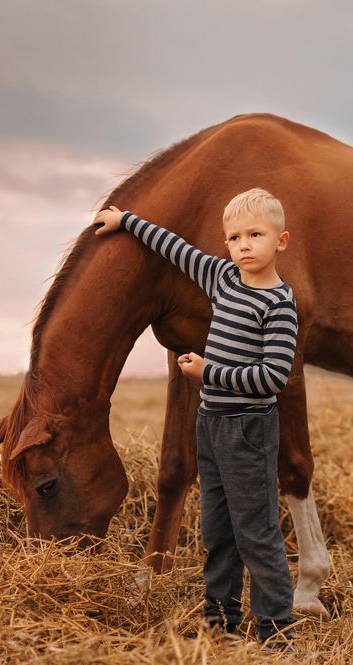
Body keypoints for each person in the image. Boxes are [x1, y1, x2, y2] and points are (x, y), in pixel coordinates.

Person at [93, 188, 298, 649]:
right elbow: (176, 248)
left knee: (256, 533)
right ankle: (219, 623)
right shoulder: (223, 278)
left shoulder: (279, 304)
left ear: (280, 241)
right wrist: (127, 222)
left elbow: (273, 378)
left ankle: (277, 632)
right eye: (234, 237)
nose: (243, 245)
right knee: (216, 531)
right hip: (210, 424)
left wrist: (209, 372)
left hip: (248, 428)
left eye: (255, 235)